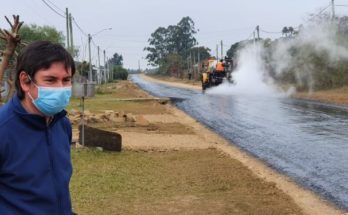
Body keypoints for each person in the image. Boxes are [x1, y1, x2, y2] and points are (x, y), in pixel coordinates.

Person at [0, 41, 76, 214]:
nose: (61, 88)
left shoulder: (62, 124)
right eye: (51, 80)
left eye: (66, 80)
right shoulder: (3, 129)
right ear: (25, 81)